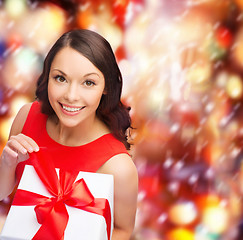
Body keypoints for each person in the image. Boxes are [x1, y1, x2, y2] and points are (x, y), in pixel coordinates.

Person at [0, 29, 138, 239]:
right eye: (60, 78)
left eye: (88, 83)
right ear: (48, 77)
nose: (71, 96)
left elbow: (123, 230)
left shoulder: (118, 166)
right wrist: (7, 163)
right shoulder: (27, 116)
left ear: (106, 87)